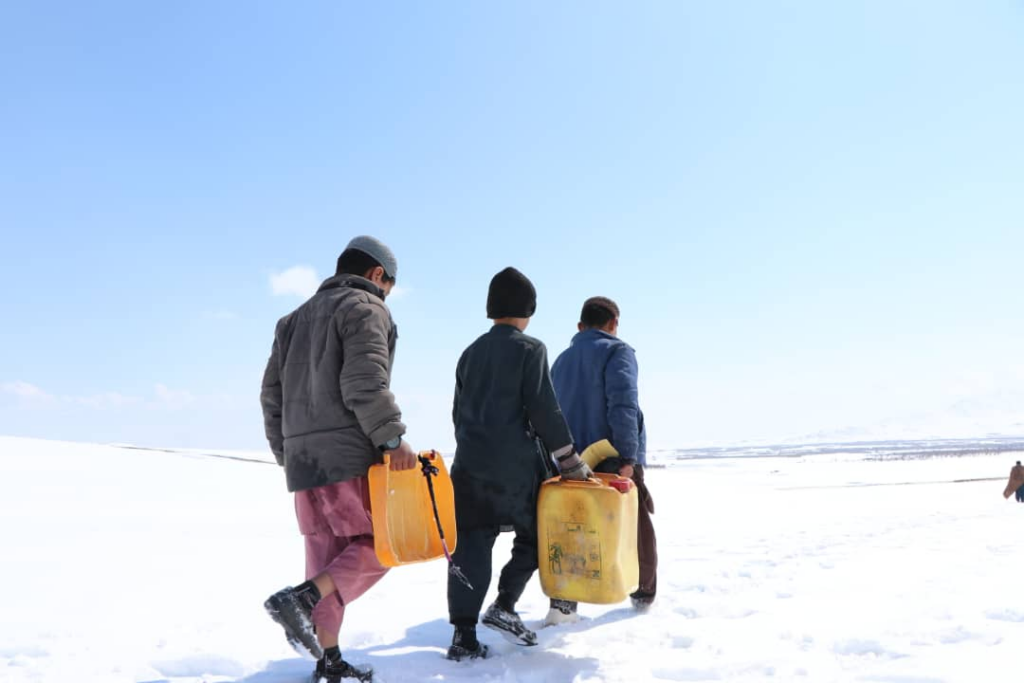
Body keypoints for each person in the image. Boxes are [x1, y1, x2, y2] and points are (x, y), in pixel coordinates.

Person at [260, 236, 418, 683]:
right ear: (376, 275)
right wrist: (391, 439)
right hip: (349, 457)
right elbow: (364, 382)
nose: (388, 293)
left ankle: (328, 662)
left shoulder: (291, 321)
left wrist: (285, 452)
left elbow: (271, 395)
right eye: (389, 284)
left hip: (305, 463)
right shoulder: (365, 308)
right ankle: (302, 598)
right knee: (385, 545)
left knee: (327, 558)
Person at [445, 267, 592, 661]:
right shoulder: (531, 349)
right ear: (528, 309)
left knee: (471, 545)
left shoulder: (470, 352)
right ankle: (505, 605)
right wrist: (569, 460)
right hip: (516, 468)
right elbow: (544, 408)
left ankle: (463, 635)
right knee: (536, 535)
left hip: (469, 466)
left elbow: (458, 414)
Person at [546, 296, 657, 625]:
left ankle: (564, 602)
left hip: (567, 459)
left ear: (580, 327)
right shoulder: (617, 351)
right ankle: (643, 593)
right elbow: (622, 403)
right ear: (614, 324)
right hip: (610, 456)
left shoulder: (561, 361)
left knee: (570, 528)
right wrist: (628, 456)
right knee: (635, 521)